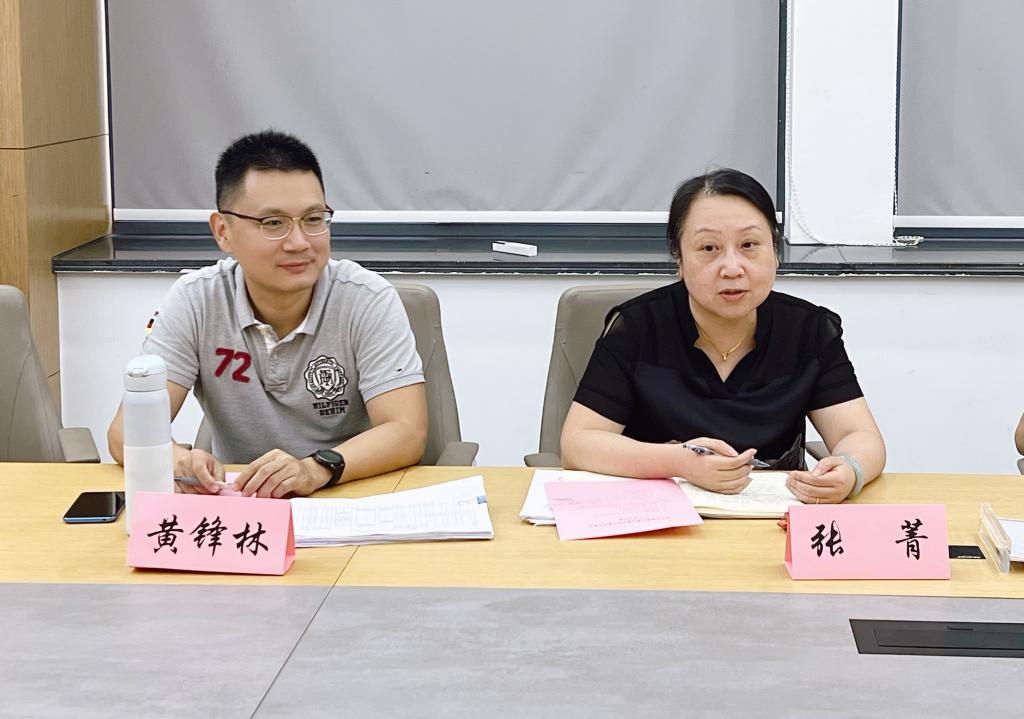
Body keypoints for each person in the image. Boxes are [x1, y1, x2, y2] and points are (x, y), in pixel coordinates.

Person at [108, 130, 427, 497]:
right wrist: (179, 460)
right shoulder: (197, 301)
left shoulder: (365, 299)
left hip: (344, 496)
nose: (299, 242)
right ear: (223, 232)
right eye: (273, 223)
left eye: (313, 219)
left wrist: (314, 469)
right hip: (240, 502)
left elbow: (406, 431)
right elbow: (125, 433)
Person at [560, 168, 885, 503]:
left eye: (749, 245)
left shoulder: (808, 329)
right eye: (708, 248)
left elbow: (858, 434)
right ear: (679, 258)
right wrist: (680, 462)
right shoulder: (637, 327)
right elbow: (579, 443)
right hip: (661, 512)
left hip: (772, 515)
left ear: (775, 252)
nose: (732, 268)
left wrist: (850, 469)